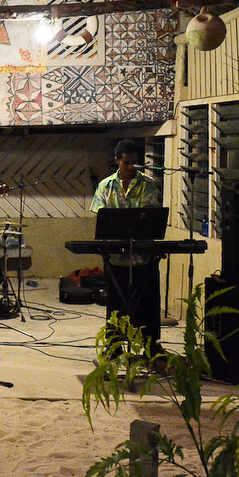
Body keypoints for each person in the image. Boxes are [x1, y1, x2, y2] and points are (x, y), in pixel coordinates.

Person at [90, 138, 163, 360]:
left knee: (147, 303)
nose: (131, 167)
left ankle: (150, 346)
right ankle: (114, 346)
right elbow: (101, 217)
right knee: (115, 304)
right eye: (126, 163)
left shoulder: (147, 184)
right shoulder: (106, 186)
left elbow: (150, 215)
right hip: (116, 257)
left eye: (134, 163)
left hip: (143, 257)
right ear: (117, 161)